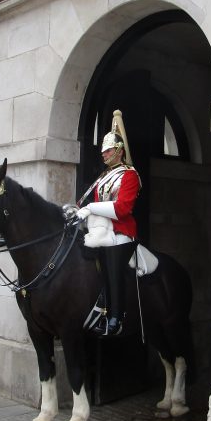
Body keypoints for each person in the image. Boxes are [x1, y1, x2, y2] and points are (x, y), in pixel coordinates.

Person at [77, 110, 141, 336]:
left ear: (119, 151)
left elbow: (123, 209)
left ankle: (116, 315)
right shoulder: (103, 176)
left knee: (113, 262)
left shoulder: (130, 175)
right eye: (103, 151)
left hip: (122, 232)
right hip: (102, 230)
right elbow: (95, 204)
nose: (103, 154)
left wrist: (91, 209)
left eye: (108, 150)